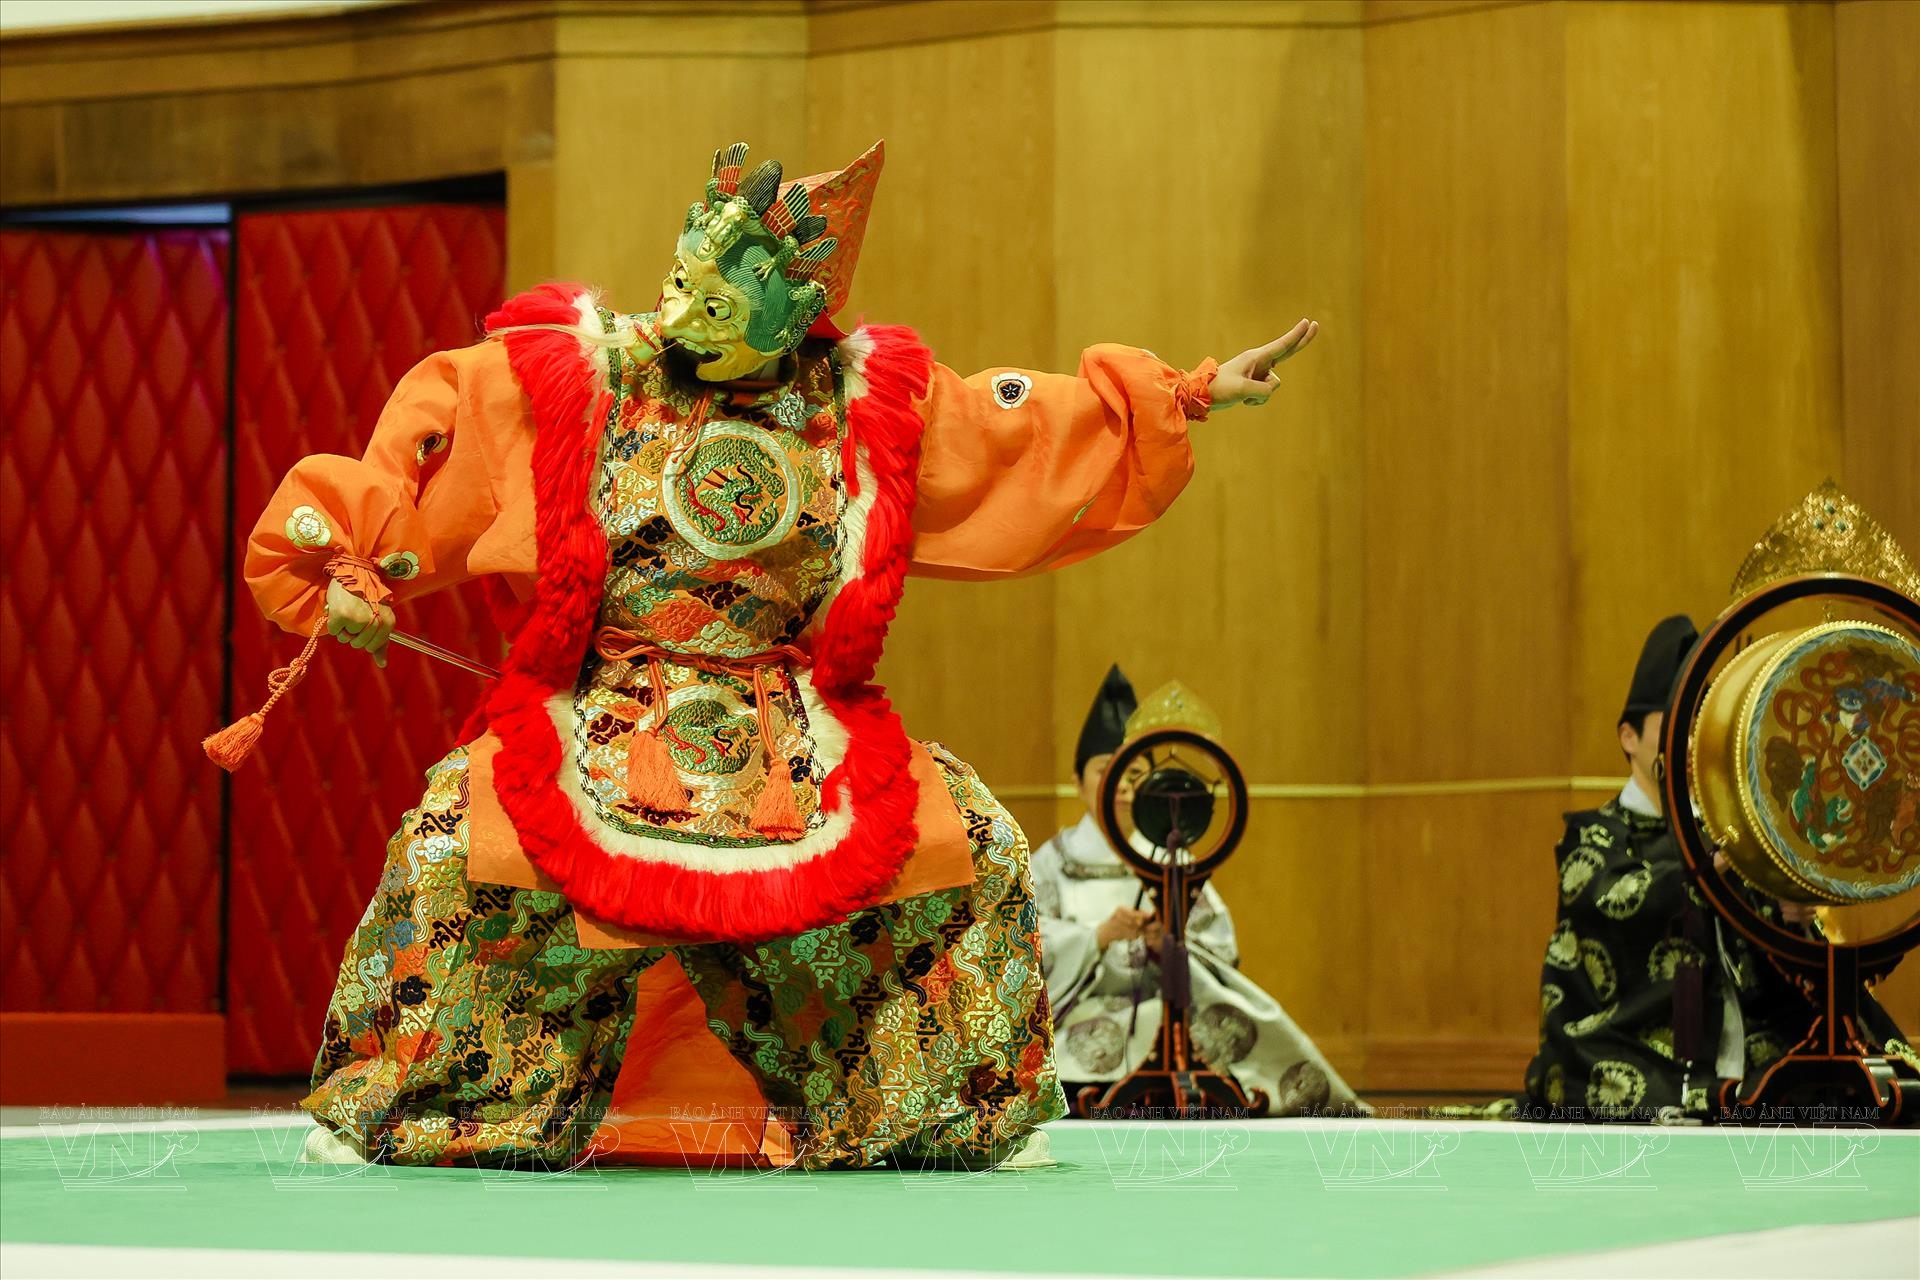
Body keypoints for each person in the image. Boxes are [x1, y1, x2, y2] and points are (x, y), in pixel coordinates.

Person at [223, 140, 1320, 1169]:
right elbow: (441, 428)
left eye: (717, 299)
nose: (680, 310)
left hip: (786, 728)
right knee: (452, 842)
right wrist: (357, 566)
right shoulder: (588, 374)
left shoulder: (858, 403)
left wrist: (1184, 396)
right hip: (607, 710)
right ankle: (418, 1104)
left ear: (795, 312)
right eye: (683, 279)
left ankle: (942, 1109)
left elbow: (1014, 428)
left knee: (973, 841)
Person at [1521, 615, 1912, 1121]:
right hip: (1635, 1051)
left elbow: (1776, 953)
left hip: (1751, 1053)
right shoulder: (1595, 837)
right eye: (1673, 728)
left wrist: (1787, 911)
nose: (1688, 745)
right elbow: (1613, 902)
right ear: (1629, 737)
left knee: (1846, 1093)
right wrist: (1717, 864)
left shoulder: (1722, 836)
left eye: (1696, 728)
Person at [1032, 667, 1364, 1115]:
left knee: (1175, 1023)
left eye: (1135, 772)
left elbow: (1220, 948)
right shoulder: (1051, 862)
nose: (1123, 785)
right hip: (1082, 1008)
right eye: (1107, 772)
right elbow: (1027, 946)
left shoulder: (1173, 856)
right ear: (1078, 782)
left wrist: (1170, 944)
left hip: (1163, 1004)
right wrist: (1097, 938)